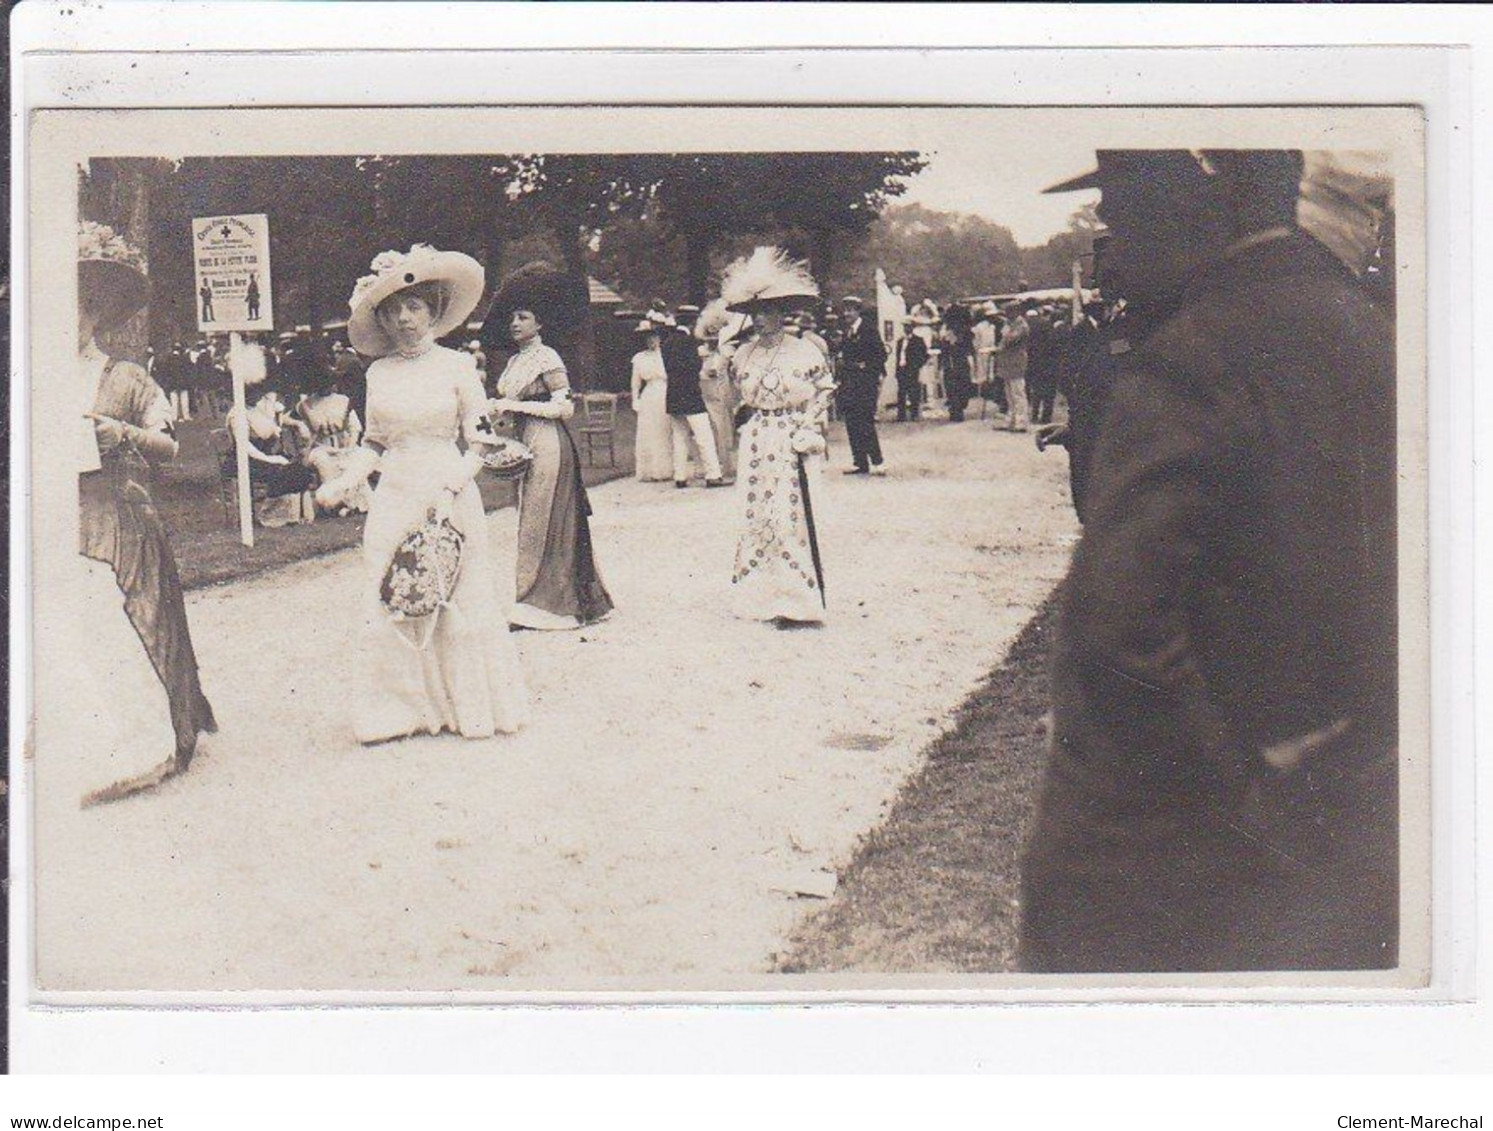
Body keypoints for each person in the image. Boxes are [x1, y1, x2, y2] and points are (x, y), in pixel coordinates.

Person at [1020, 150, 1398, 973]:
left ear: (1203, 198)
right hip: (1350, 838)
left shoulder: (1193, 354)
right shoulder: (1372, 332)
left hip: (1168, 866)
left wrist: (1245, 789)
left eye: (1124, 208)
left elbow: (1121, 640)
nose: (1107, 237)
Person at [315, 244, 528, 744]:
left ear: (432, 309)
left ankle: (465, 706)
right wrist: (348, 479)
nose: (405, 319)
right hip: (395, 493)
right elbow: (374, 441)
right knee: (386, 588)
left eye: (413, 307)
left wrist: (452, 487)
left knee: (458, 593)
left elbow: (480, 441)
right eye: (393, 311)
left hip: (448, 486)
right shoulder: (377, 373)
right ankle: (399, 711)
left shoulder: (457, 367)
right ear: (383, 321)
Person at [69, 221, 216, 805]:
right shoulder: (32, 378)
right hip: (59, 513)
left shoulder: (124, 376)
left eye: (75, 309)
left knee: (142, 614)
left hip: (119, 514)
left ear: (95, 314)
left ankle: (168, 732)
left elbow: (171, 444)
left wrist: (119, 431)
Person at [483, 261, 615, 632]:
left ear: (540, 323)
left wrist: (514, 405)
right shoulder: (514, 361)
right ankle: (528, 599)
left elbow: (565, 406)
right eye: (512, 318)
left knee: (546, 519)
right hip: (522, 442)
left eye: (523, 317)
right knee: (528, 519)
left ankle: (550, 604)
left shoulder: (547, 357)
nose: (515, 323)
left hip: (548, 442)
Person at [720, 247, 836, 626]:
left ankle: (797, 599)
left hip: (791, 435)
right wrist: (722, 367)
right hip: (757, 437)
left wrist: (808, 427)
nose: (761, 319)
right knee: (757, 514)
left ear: (783, 313)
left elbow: (824, 390)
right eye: (755, 312)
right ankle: (759, 596)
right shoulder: (743, 355)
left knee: (790, 515)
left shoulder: (804, 351)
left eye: (768, 311)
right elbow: (732, 398)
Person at [290, 348, 370, 514]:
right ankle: (335, 504)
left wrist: (349, 446)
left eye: (329, 383)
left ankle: (356, 504)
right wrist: (298, 425)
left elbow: (354, 427)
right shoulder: (306, 405)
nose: (328, 387)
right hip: (318, 447)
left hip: (343, 445)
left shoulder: (342, 400)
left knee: (354, 461)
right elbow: (286, 418)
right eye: (322, 384)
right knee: (324, 462)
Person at [653, 306, 725, 489]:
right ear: (693, 322)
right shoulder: (690, 342)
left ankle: (680, 476)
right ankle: (713, 475)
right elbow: (693, 369)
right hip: (691, 395)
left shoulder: (667, 342)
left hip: (674, 395)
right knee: (704, 436)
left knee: (679, 437)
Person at [834, 294, 887, 475]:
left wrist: (866, 369)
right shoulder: (848, 332)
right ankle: (859, 462)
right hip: (850, 384)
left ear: (858, 311)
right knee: (852, 422)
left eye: (850, 310)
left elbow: (881, 355)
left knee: (865, 422)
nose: (846, 313)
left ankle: (878, 461)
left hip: (865, 384)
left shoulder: (869, 330)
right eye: (845, 310)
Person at [694, 297, 743, 481]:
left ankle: (725, 464)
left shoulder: (725, 352)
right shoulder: (700, 352)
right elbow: (698, 371)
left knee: (723, 429)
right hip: (704, 392)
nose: (712, 341)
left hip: (720, 392)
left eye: (715, 338)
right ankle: (708, 465)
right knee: (706, 430)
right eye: (710, 338)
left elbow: (729, 371)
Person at [628, 318, 674, 482]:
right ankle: (649, 470)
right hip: (649, 396)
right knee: (649, 431)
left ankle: (664, 470)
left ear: (660, 338)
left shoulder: (667, 355)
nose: (651, 341)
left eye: (654, 337)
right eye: (648, 338)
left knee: (664, 430)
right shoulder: (639, 358)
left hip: (665, 393)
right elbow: (635, 382)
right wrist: (636, 399)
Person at [993, 303, 1030, 432]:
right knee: (1009, 394)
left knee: (1018, 393)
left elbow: (1010, 339)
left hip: (1016, 362)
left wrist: (1006, 331)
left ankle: (1021, 421)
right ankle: (1011, 419)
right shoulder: (1010, 325)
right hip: (1007, 362)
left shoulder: (1021, 325)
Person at [938, 304, 975, 423]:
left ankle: (957, 407)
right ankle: (956, 409)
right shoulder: (948, 331)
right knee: (956, 386)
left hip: (958, 361)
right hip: (953, 362)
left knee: (958, 386)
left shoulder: (964, 332)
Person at [1025, 306, 1059, 425]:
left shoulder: (1033, 334)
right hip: (1051, 365)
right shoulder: (1052, 332)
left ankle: (1034, 415)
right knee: (1049, 393)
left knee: (1037, 391)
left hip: (1036, 364)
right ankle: (1046, 417)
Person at [893, 318, 930, 422]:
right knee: (901, 393)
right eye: (905, 326)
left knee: (914, 393)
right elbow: (898, 356)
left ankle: (914, 414)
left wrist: (917, 365)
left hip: (912, 370)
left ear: (912, 328)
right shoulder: (900, 341)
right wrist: (897, 369)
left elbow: (925, 355)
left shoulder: (918, 340)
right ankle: (901, 415)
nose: (906, 328)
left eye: (908, 326)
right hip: (902, 369)